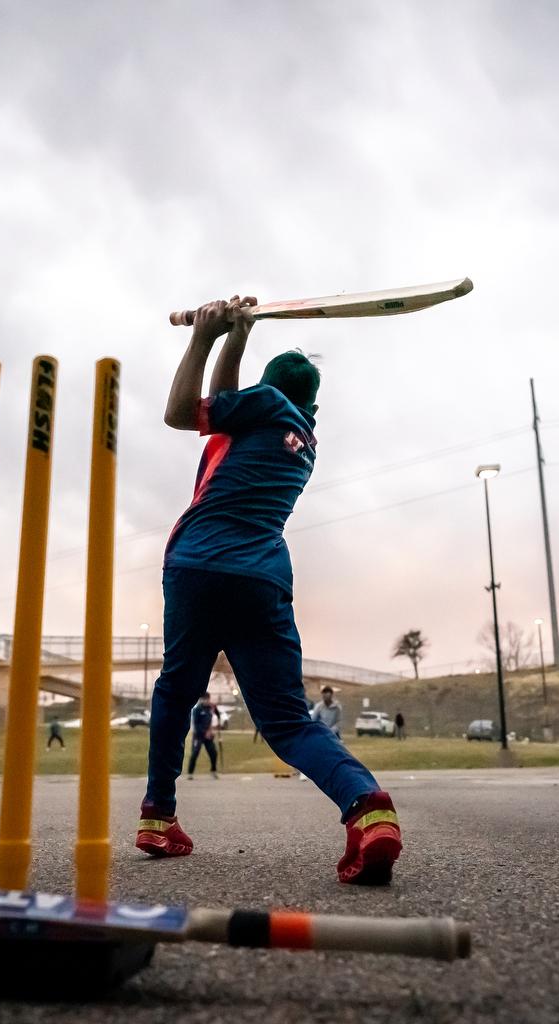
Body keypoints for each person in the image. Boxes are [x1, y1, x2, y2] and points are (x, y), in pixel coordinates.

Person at [134, 295, 401, 886]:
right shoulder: (302, 436)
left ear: (267, 389)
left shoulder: (264, 403)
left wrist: (203, 336)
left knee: (176, 691)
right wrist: (239, 334)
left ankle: (157, 815)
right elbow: (224, 406)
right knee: (284, 721)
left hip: (198, 563)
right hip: (260, 576)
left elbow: (181, 412)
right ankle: (367, 807)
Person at [186, 692, 220, 780]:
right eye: (205, 699)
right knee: (195, 753)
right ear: (201, 699)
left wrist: (216, 710)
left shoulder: (210, 708)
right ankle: (190, 772)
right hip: (199, 735)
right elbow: (196, 724)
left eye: (208, 699)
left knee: (213, 753)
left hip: (208, 736)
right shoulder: (197, 709)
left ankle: (213, 770)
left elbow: (216, 715)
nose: (207, 701)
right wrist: (205, 733)